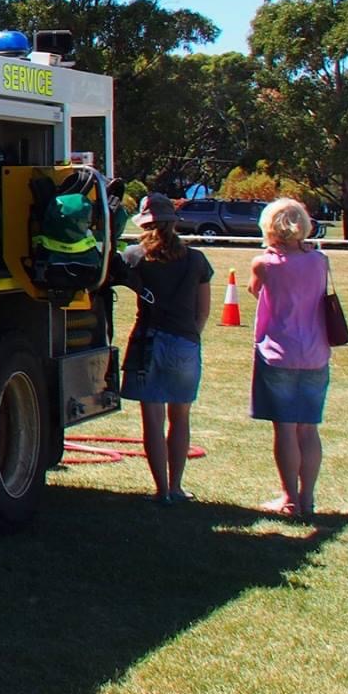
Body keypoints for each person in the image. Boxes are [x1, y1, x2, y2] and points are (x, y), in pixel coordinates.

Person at [113, 194, 213, 504]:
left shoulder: (136, 256)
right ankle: (177, 487)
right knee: (180, 417)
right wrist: (189, 335)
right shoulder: (196, 259)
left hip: (148, 340)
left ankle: (160, 489)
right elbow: (203, 311)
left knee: (152, 418)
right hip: (184, 341)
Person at [245, 196, 333, 519]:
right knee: (308, 429)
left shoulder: (264, 263)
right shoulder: (320, 261)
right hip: (315, 352)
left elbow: (254, 290)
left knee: (284, 430)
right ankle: (307, 499)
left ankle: (290, 498)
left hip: (278, 352)